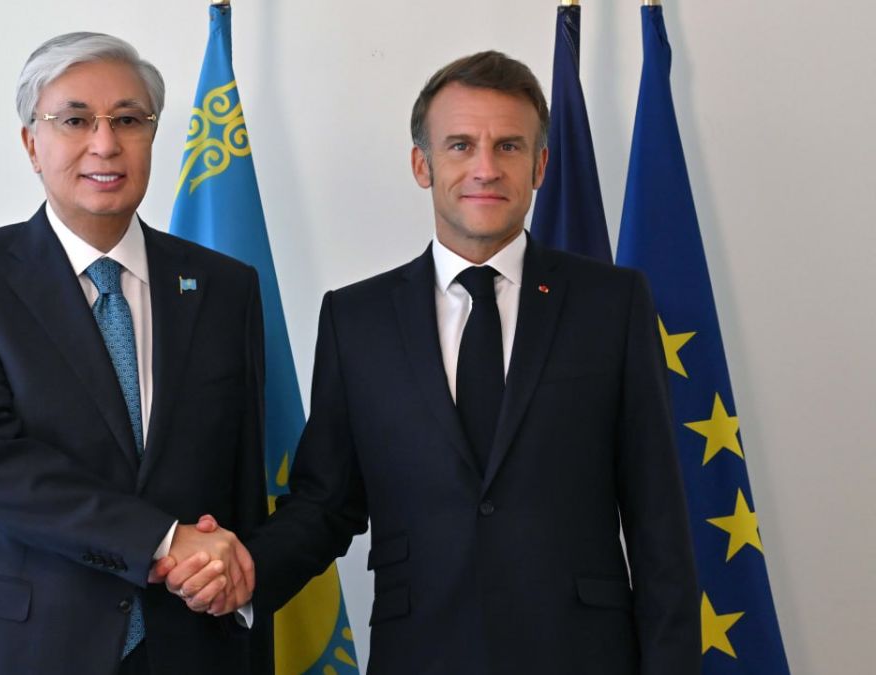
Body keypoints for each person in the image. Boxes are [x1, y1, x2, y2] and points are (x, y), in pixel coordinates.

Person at [160, 51, 699, 674]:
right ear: (423, 164)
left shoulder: (612, 304)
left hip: (583, 655)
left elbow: (659, 517)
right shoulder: (355, 319)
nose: (485, 168)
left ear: (540, 166)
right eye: (461, 145)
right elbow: (327, 503)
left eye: (509, 146)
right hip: (420, 653)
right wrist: (245, 571)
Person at [0, 32, 270, 675]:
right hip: (21, 644)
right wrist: (161, 539)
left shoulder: (225, 287)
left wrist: (237, 598)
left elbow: (242, 480)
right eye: (75, 120)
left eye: (128, 120)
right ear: (32, 144)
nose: (105, 144)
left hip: (191, 642)